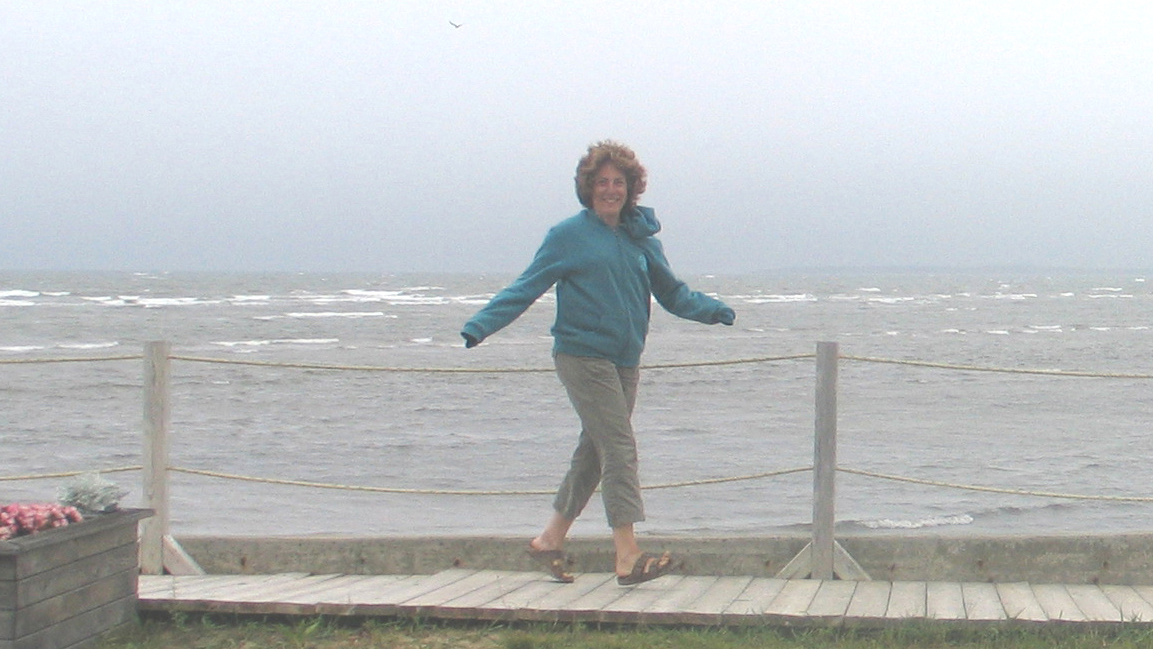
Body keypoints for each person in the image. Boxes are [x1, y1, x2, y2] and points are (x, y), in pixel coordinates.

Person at [461, 140, 735, 586]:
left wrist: (712, 310)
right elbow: (525, 287)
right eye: (602, 182)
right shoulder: (567, 236)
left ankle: (549, 540)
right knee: (620, 447)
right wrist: (480, 325)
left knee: (595, 452)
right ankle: (627, 556)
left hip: (625, 359)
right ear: (588, 188)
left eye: (618, 183)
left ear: (631, 189)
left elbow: (672, 293)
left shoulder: (641, 238)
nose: (610, 190)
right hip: (581, 354)